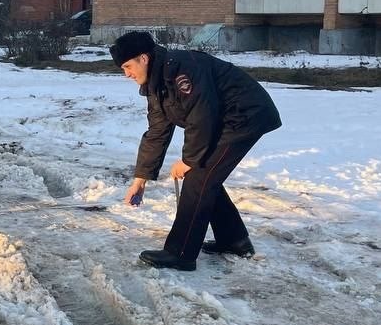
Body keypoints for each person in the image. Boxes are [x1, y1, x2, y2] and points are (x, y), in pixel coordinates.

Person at [113, 30, 281, 272]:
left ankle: (180, 253)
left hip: (245, 117)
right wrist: (140, 180)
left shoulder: (182, 70)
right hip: (226, 120)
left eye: (128, 66)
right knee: (206, 177)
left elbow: (202, 116)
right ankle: (234, 240)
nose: (126, 74)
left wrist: (188, 160)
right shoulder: (156, 84)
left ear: (144, 58)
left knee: (198, 178)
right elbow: (157, 131)